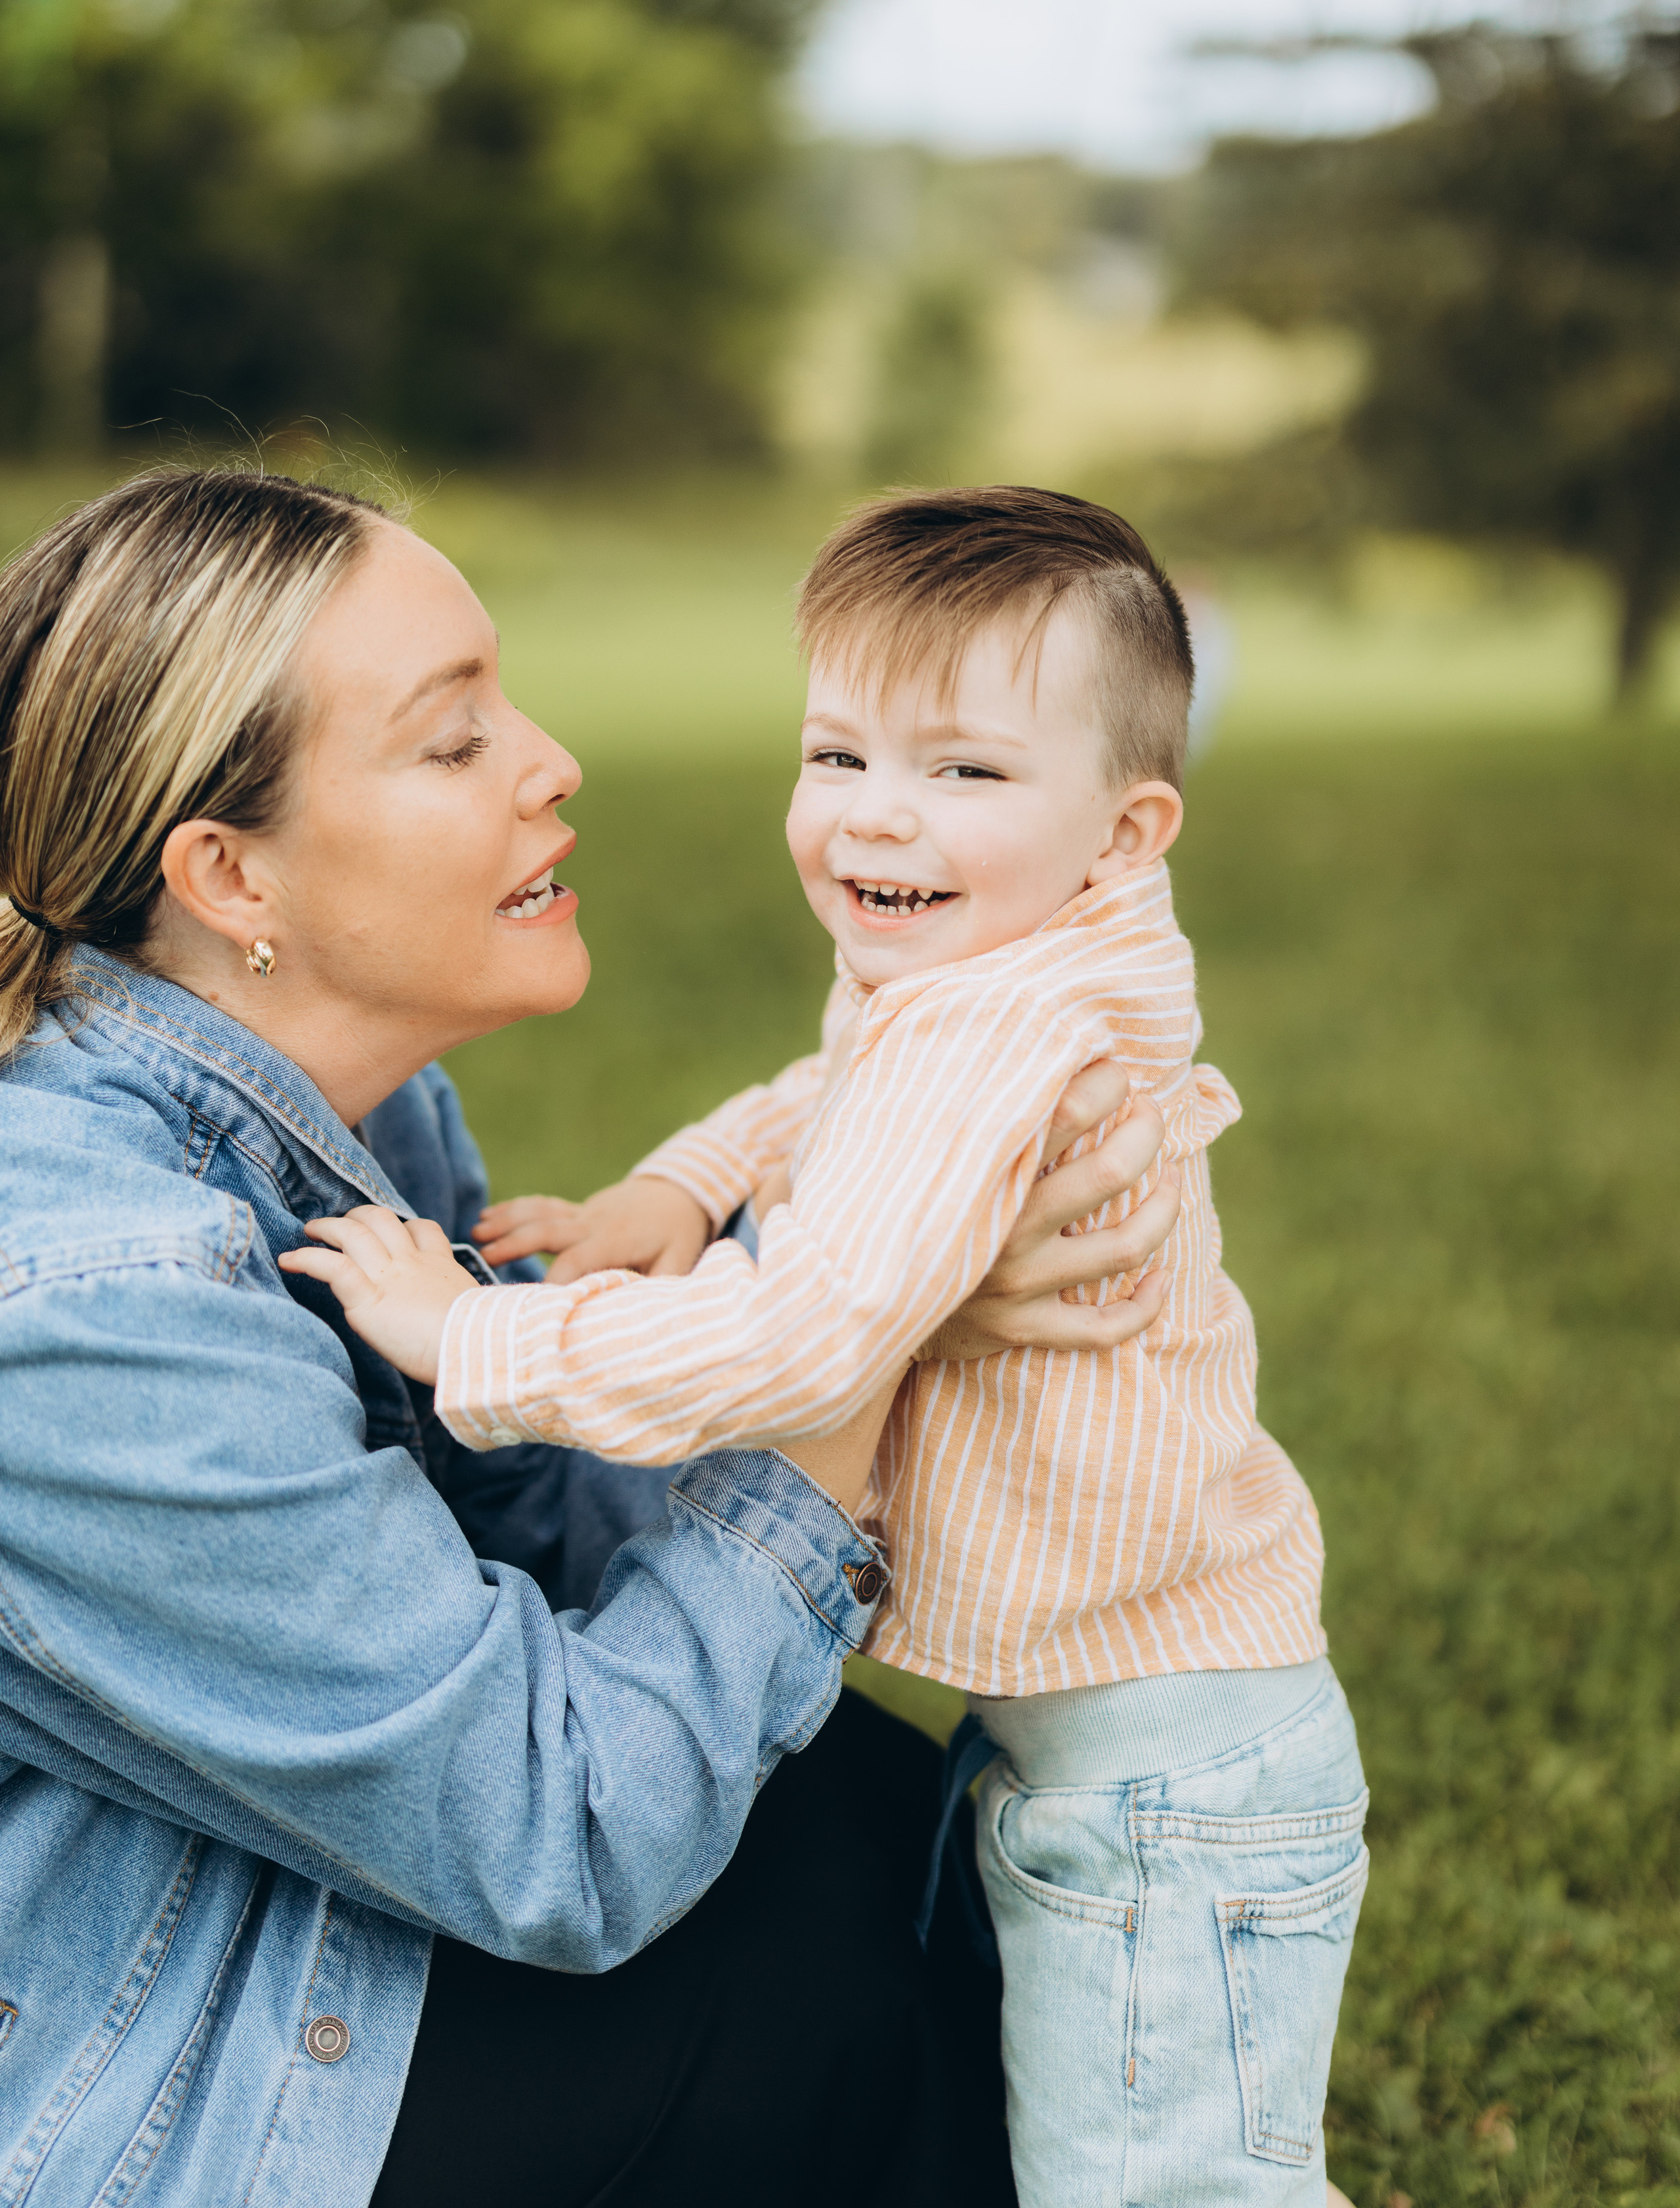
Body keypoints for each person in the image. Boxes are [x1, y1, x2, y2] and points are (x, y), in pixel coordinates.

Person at [0, 470, 1179, 2208]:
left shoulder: (348, 1111)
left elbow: (549, 1542)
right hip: (148, 2071)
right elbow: (566, 1833)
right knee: (805, 1976)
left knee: (875, 1813)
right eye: (453, 739)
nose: (551, 763)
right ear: (230, 874)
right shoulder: (91, 1310)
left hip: (306, 1841)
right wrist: (861, 1332)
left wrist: (887, 1245)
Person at [288, 486, 1368, 2208]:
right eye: (840, 755)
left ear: (1126, 830)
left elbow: (802, 1340)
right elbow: (837, 1093)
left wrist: (475, 1333)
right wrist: (685, 1185)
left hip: (1164, 1776)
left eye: (967, 770)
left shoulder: (993, 1028)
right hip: (1127, 1730)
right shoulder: (993, 961)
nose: (881, 813)